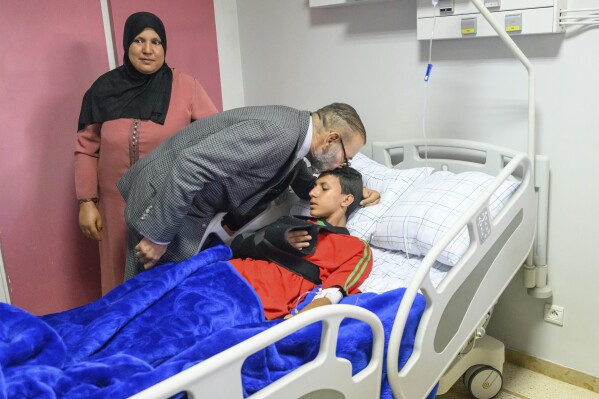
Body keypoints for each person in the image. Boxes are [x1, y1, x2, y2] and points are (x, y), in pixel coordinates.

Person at [117, 102, 380, 279]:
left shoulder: (295, 139)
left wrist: (354, 194)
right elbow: (190, 167)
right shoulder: (279, 134)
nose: (341, 165)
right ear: (331, 139)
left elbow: (301, 183)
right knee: (148, 295)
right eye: (345, 159)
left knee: (158, 296)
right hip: (165, 198)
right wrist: (158, 236)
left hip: (183, 200)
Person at [75, 11, 218, 294]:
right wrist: (86, 202)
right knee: (119, 279)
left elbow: (215, 136)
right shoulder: (103, 90)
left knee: (163, 279)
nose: (148, 50)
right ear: (127, 44)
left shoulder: (185, 86)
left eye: (156, 42)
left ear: (165, 47)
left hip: (167, 202)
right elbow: (86, 149)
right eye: (139, 40)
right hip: (115, 206)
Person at [229, 166, 372, 320]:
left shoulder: (356, 247)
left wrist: (299, 318)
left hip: (255, 303)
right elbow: (237, 245)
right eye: (314, 186)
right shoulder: (290, 222)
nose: (312, 193)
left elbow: (334, 290)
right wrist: (277, 238)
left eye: (324, 188)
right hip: (227, 275)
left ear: (346, 199)